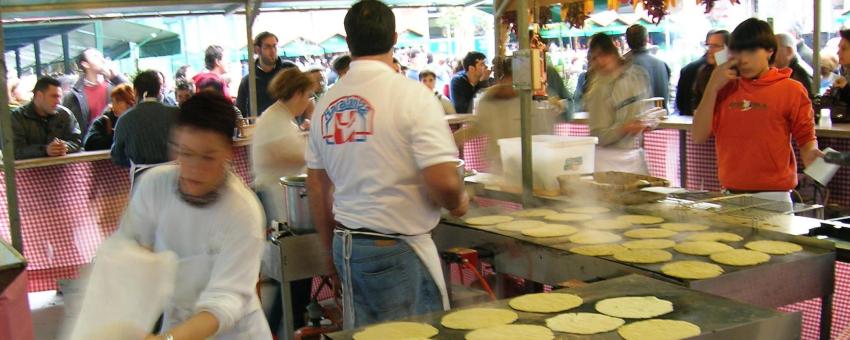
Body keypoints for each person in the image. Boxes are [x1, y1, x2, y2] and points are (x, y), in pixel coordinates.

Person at [306, 0, 468, 329]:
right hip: (399, 247)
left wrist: (329, 250)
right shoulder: (412, 95)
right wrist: (459, 203)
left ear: (348, 42)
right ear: (395, 38)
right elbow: (445, 181)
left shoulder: (325, 104)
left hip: (347, 244)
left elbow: (317, 186)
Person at [111, 92, 271, 340]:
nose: (193, 168)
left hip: (233, 333)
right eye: (185, 153)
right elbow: (129, 248)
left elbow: (225, 300)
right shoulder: (154, 186)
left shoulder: (243, 212)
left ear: (228, 152)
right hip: (176, 323)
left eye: (207, 157)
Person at [692, 18, 821, 204]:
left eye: (751, 50)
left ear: (769, 51)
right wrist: (712, 85)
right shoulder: (724, 88)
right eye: (737, 51)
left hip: (774, 196)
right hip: (730, 194)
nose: (743, 59)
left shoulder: (791, 89)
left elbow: (806, 139)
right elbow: (698, 136)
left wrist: (813, 155)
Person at [251, 68, 315, 332]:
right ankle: (284, 329)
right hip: (279, 206)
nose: (309, 101)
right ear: (297, 93)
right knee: (290, 279)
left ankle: (290, 325)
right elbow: (301, 157)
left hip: (283, 204)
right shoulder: (275, 122)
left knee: (292, 279)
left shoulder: (280, 118)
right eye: (308, 96)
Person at [474, 56, 558, 173]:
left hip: (533, 166)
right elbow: (478, 128)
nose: (509, 85)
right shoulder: (487, 100)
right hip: (499, 167)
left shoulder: (535, 100)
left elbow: (545, 136)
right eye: (506, 79)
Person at [584, 32, 653, 175]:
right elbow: (598, 136)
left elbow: (648, 111)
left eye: (603, 55)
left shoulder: (637, 76)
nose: (600, 62)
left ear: (614, 54)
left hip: (635, 156)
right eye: (595, 58)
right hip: (608, 160)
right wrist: (625, 128)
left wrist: (649, 123)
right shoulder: (597, 89)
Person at [112, 70, 180, 168]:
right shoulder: (177, 113)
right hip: (176, 173)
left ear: (135, 91)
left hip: (142, 176)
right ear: (159, 90)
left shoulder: (125, 119)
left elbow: (117, 157)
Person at [10, 76, 82, 159]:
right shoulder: (16, 117)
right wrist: (45, 150)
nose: (58, 101)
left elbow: (77, 142)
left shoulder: (65, 114)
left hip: (62, 169)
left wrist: (64, 147)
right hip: (27, 170)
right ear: (39, 96)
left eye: (59, 97)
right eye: (54, 96)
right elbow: (14, 150)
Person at [62, 48, 128, 136]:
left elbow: (133, 96)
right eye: (95, 57)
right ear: (85, 64)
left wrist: (116, 77)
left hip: (114, 143)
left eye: (101, 56)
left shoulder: (114, 87)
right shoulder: (73, 95)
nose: (102, 59)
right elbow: (67, 124)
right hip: (89, 146)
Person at [236, 32, 298, 117]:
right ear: (257, 50)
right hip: (262, 128)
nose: (272, 51)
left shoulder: (289, 69)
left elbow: (307, 97)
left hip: (291, 126)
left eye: (274, 46)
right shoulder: (248, 81)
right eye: (267, 47)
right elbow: (240, 113)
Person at [676, 30, 729, 116]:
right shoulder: (703, 72)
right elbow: (695, 103)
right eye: (708, 46)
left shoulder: (735, 75)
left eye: (715, 46)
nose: (710, 50)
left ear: (728, 49)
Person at [625, 24, 671, 109]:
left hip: (637, 120)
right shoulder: (662, 64)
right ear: (647, 39)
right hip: (663, 119)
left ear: (627, 42)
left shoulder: (623, 66)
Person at [83, 83, 136, 150]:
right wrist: (117, 137)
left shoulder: (137, 120)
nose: (114, 106)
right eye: (113, 102)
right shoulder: (104, 121)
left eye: (118, 102)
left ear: (130, 103)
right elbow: (89, 144)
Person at [775, 32, 814, 98]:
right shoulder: (791, 70)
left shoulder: (800, 75)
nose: (769, 54)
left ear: (789, 51)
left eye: (774, 49)